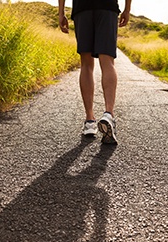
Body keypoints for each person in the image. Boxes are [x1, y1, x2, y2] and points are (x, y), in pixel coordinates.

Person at [59, 0, 132, 144]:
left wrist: (61, 13)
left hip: (82, 7)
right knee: (107, 61)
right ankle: (109, 114)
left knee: (86, 64)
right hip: (107, 7)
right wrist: (127, 9)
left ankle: (90, 121)